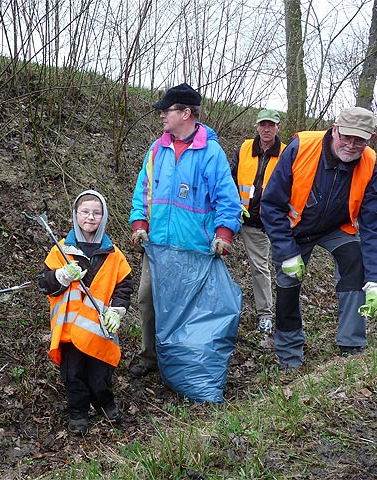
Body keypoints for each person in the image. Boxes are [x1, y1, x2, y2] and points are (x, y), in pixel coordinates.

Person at [260, 106, 377, 370]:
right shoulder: (301, 147)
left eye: (360, 140)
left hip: (337, 227)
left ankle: (352, 345)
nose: (352, 145)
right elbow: (271, 205)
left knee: (355, 262)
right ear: (334, 130)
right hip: (295, 229)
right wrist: (286, 252)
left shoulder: (371, 163)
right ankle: (289, 354)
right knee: (288, 281)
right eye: (346, 137)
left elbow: (376, 224)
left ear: (371, 138)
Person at [129, 83, 243, 377]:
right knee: (148, 300)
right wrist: (140, 224)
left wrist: (224, 235)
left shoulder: (211, 153)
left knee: (187, 308)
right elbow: (143, 191)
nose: (162, 116)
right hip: (157, 246)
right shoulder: (157, 149)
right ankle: (149, 355)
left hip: (193, 249)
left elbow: (227, 200)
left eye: (167, 111)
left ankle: (183, 363)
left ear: (186, 113)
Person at [37, 190, 133, 434]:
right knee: (73, 375)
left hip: (100, 329)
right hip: (70, 331)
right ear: (76, 215)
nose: (90, 217)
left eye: (96, 213)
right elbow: (44, 283)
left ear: (104, 217)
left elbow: (124, 286)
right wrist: (61, 276)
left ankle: (105, 404)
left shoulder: (114, 254)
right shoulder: (61, 250)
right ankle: (78, 411)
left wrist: (117, 311)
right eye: (85, 212)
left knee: (101, 373)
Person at [231, 109, 285, 334]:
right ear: (257, 126)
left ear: (278, 128)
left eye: (271, 125)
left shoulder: (286, 153)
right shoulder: (244, 148)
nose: (266, 129)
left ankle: (265, 315)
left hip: (261, 224)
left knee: (260, 269)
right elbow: (229, 178)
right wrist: (229, 208)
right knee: (209, 255)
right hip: (234, 217)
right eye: (263, 124)